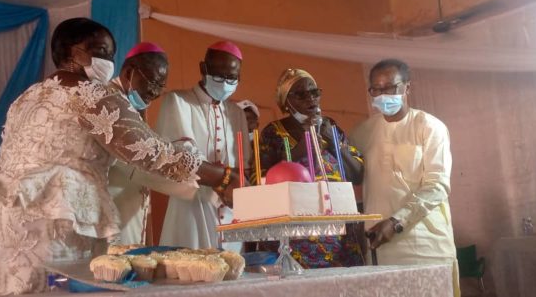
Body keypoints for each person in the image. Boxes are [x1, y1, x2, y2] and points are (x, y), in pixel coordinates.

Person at [0, 18, 243, 296]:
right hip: (47, 218)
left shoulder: (27, 97)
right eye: (101, 52)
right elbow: (154, 153)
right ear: (73, 53)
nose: (108, 61)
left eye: (110, 54)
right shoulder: (92, 94)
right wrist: (223, 176)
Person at [350, 59, 459, 296]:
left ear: (407, 87)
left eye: (390, 87)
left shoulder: (429, 127)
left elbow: (437, 185)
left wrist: (396, 221)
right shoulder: (362, 133)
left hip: (426, 246)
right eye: (376, 89)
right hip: (380, 246)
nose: (382, 95)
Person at [253, 68, 365, 268]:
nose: (310, 99)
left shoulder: (331, 127)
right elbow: (259, 178)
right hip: (295, 237)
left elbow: (358, 174)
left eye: (314, 92)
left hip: (339, 235)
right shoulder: (274, 132)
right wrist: (306, 143)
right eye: (301, 95)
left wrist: (333, 142)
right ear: (286, 102)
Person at [158, 41, 250, 250]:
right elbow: (183, 156)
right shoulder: (178, 101)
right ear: (203, 68)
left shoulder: (236, 112)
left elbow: (243, 162)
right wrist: (226, 179)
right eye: (218, 75)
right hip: (191, 206)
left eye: (232, 78)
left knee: (234, 274)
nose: (225, 83)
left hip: (230, 213)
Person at [105, 42, 169, 246]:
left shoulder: (129, 103)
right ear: (129, 72)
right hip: (109, 203)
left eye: (161, 85)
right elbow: (136, 159)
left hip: (129, 203)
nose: (155, 92)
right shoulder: (108, 101)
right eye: (152, 82)